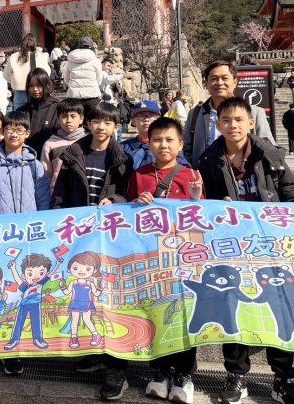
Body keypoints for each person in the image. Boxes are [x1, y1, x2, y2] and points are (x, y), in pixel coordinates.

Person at [197, 97, 294, 404]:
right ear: (218, 124)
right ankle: (237, 376)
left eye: (239, 120)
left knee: (280, 311)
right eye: (226, 120)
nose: (233, 125)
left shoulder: (271, 155)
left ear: (251, 122)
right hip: (231, 249)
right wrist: (217, 208)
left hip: (271, 247)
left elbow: (292, 193)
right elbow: (201, 205)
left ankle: (283, 379)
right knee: (234, 310)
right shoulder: (208, 160)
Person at [96, 116, 203, 403]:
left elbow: (202, 219)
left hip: (182, 259)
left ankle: (184, 373)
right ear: (149, 142)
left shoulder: (191, 174)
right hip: (151, 257)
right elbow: (129, 215)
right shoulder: (140, 174)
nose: (163, 144)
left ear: (181, 144)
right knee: (156, 311)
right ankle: (160, 371)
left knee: (182, 314)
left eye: (170, 140)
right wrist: (133, 203)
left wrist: (196, 199)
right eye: (157, 140)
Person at [182, 60, 275, 168]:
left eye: (225, 78)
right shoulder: (195, 114)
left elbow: (269, 148)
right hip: (205, 179)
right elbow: (185, 150)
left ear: (235, 82)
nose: (220, 83)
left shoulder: (254, 112)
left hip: (243, 178)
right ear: (206, 83)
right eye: (214, 79)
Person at [0, 110, 51, 216]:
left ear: (27, 133)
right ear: (3, 131)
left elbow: (44, 199)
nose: (14, 134)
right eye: (10, 129)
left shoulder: (35, 165)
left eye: (19, 130)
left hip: (27, 227)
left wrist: (43, 220)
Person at [53, 102, 133, 209]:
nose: (101, 127)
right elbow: (60, 192)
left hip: (107, 219)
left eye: (107, 123)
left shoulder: (123, 160)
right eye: (96, 122)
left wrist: (114, 200)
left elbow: (127, 194)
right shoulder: (73, 154)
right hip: (78, 218)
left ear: (116, 127)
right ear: (88, 124)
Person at [40, 98, 87, 189]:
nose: (69, 120)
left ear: (81, 119)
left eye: (73, 116)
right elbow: (45, 175)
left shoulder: (88, 141)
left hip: (83, 194)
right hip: (58, 195)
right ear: (58, 119)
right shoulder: (50, 144)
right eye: (64, 116)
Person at [17, 68, 59, 158]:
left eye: (39, 85)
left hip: (50, 157)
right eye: (31, 86)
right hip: (25, 157)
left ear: (46, 85)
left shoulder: (57, 108)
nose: (35, 89)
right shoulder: (22, 111)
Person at [3, 33, 50, 110]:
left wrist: (14, 82)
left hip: (20, 93)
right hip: (37, 92)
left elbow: (6, 75)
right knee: (36, 118)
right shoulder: (41, 56)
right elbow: (47, 74)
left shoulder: (14, 56)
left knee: (20, 119)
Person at [63, 36, 103, 108]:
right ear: (91, 46)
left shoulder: (70, 60)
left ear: (78, 46)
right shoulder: (96, 61)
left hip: (74, 96)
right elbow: (99, 80)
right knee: (92, 119)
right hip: (92, 96)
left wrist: (73, 85)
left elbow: (66, 79)